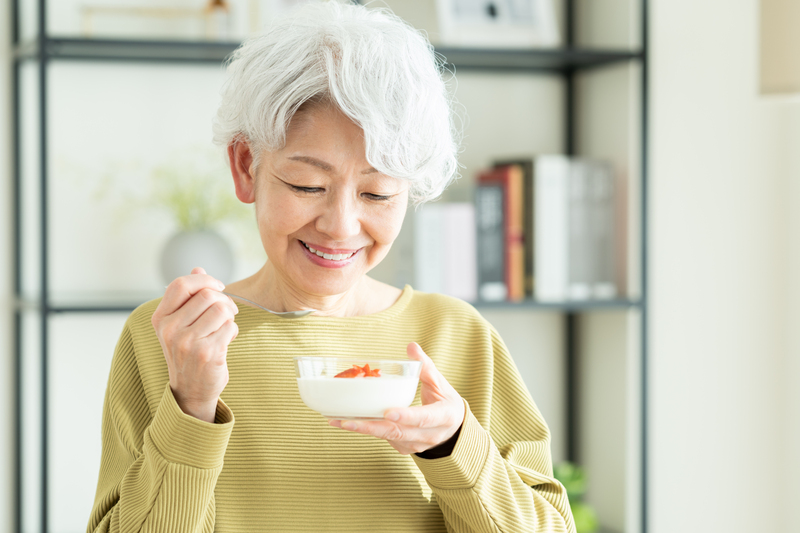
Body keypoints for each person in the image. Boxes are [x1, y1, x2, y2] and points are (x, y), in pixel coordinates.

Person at [87, 2, 576, 532]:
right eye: (307, 186)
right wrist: (190, 407)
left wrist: (457, 446)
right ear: (246, 166)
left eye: (377, 193)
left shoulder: (457, 337)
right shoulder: (171, 342)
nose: (342, 226)